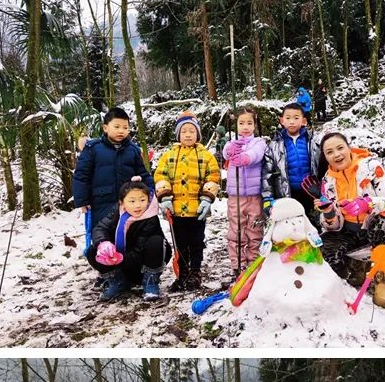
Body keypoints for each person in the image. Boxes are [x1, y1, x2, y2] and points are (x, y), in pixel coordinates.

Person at [314, 132, 385, 308]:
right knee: (322, 248)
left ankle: (382, 279)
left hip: (374, 229)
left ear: (348, 147)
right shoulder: (327, 181)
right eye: (329, 152)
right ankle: (352, 269)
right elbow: (332, 227)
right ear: (325, 157)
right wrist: (328, 212)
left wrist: (368, 203)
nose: (336, 154)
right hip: (348, 232)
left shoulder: (370, 167)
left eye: (340, 148)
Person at [154, 112, 221, 292]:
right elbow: (160, 176)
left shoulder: (206, 156)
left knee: (196, 242)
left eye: (192, 131)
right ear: (178, 135)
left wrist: (207, 198)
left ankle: (195, 273)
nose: (188, 134)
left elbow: (213, 177)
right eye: (184, 131)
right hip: (175, 210)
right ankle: (182, 274)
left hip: (198, 210)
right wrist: (165, 196)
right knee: (180, 242)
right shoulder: (168, 156)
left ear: (198, 134)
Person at [85, 179, 171, 302]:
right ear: (122, 203)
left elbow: (139, 253)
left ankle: (150, 283)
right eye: (132, 201)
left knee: (156, 241)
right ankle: (118, 282)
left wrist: (121, 258)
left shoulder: (150, 219)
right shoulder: (116, 213)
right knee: (93, 251)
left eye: (142, 200)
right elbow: (100, 228)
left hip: (141, 265)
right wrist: (103, 243)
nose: (138, 205)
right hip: (119, 267)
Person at [73, 106, 154, 231]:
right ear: (105, 128)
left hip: (129, 203)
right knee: (104, 237)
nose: (121, 131)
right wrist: (82, 200)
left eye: (125, 127)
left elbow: (143, 173)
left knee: (129, 236)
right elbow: (81, 175)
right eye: (117, 127)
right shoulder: (93, 149)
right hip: (101, 203)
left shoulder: (133, 150)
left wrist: (151, 192)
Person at [222, 107, 266, 277]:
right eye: (241, 123)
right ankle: (237, 263)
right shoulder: (231, 142)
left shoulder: (259, 142)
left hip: (255, 194)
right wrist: (232, 149)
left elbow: (256, 155)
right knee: (236, 228)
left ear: (254, 125)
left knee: (254, 228)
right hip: (236, 194)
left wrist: (245, 157)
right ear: (236, 126)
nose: (245, 126)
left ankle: (254, 261)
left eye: (249, 123)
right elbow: (226, 154)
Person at [261, 103, 321, 222]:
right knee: (292, 225)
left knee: (313, 224)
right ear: (282, 120)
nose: (292, 121)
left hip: (311, 192)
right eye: (288, 118)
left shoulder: (313, 141)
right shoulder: (274, 146)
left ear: (304, 121)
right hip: (286, 193)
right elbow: (267, 173)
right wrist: (267, 198)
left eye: (296, 118)